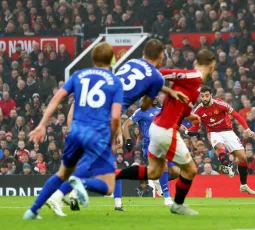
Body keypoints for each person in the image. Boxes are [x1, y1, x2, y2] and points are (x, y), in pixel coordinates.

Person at [46, 39, 187, 215]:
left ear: (144, 52)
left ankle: (68, 193)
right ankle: (62, 193)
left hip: (94, 107)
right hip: (105, 116)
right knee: (102, 165)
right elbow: (144, 106)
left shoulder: (131, 62)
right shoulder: (157, 78)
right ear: (161, 55)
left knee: (94, 160)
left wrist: (167, 91)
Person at [23, 42, 124, 219]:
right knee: (108, 187)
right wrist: (112, 140)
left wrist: (41, 125)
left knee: (62, 173)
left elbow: (57, 97)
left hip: (75, 132)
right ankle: (81, 182)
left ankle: (32, 210)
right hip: (97, 135)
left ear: (92, 58)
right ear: (111, 59)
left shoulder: (79, 75)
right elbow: (115, 117)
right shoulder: (115, 82)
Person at [116, 49, 216, 215]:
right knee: (190, 170)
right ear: (211, 66)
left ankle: (114, 174)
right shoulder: (194, 77)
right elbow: (161, 73)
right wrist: (157, 89)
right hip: (165, 129)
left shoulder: (195, 83)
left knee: (155, 172)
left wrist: (189, 116)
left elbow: (176, 104)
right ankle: (176, 204)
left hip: (159, 127)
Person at [186, 86, 255, 195]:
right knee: (220, 146)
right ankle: (226, 165)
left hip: (228, 131)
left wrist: (248, 129)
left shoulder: (220, 104)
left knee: (243, 158)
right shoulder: (198, 111)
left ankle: (243, 185)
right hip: (213, 132)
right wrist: (187, 131)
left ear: (211, 95)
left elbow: (236, 115)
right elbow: (195, 128)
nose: (204, 98)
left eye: (206, 96)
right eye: (202, 96)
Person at [123, 98, 180, 206]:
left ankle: (158, 178)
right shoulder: (141, 111)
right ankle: (167, 198)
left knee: (176, 172)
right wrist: (129, 140)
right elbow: (125, 125)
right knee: (164, 165)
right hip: (150, 144)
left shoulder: (161, 110)